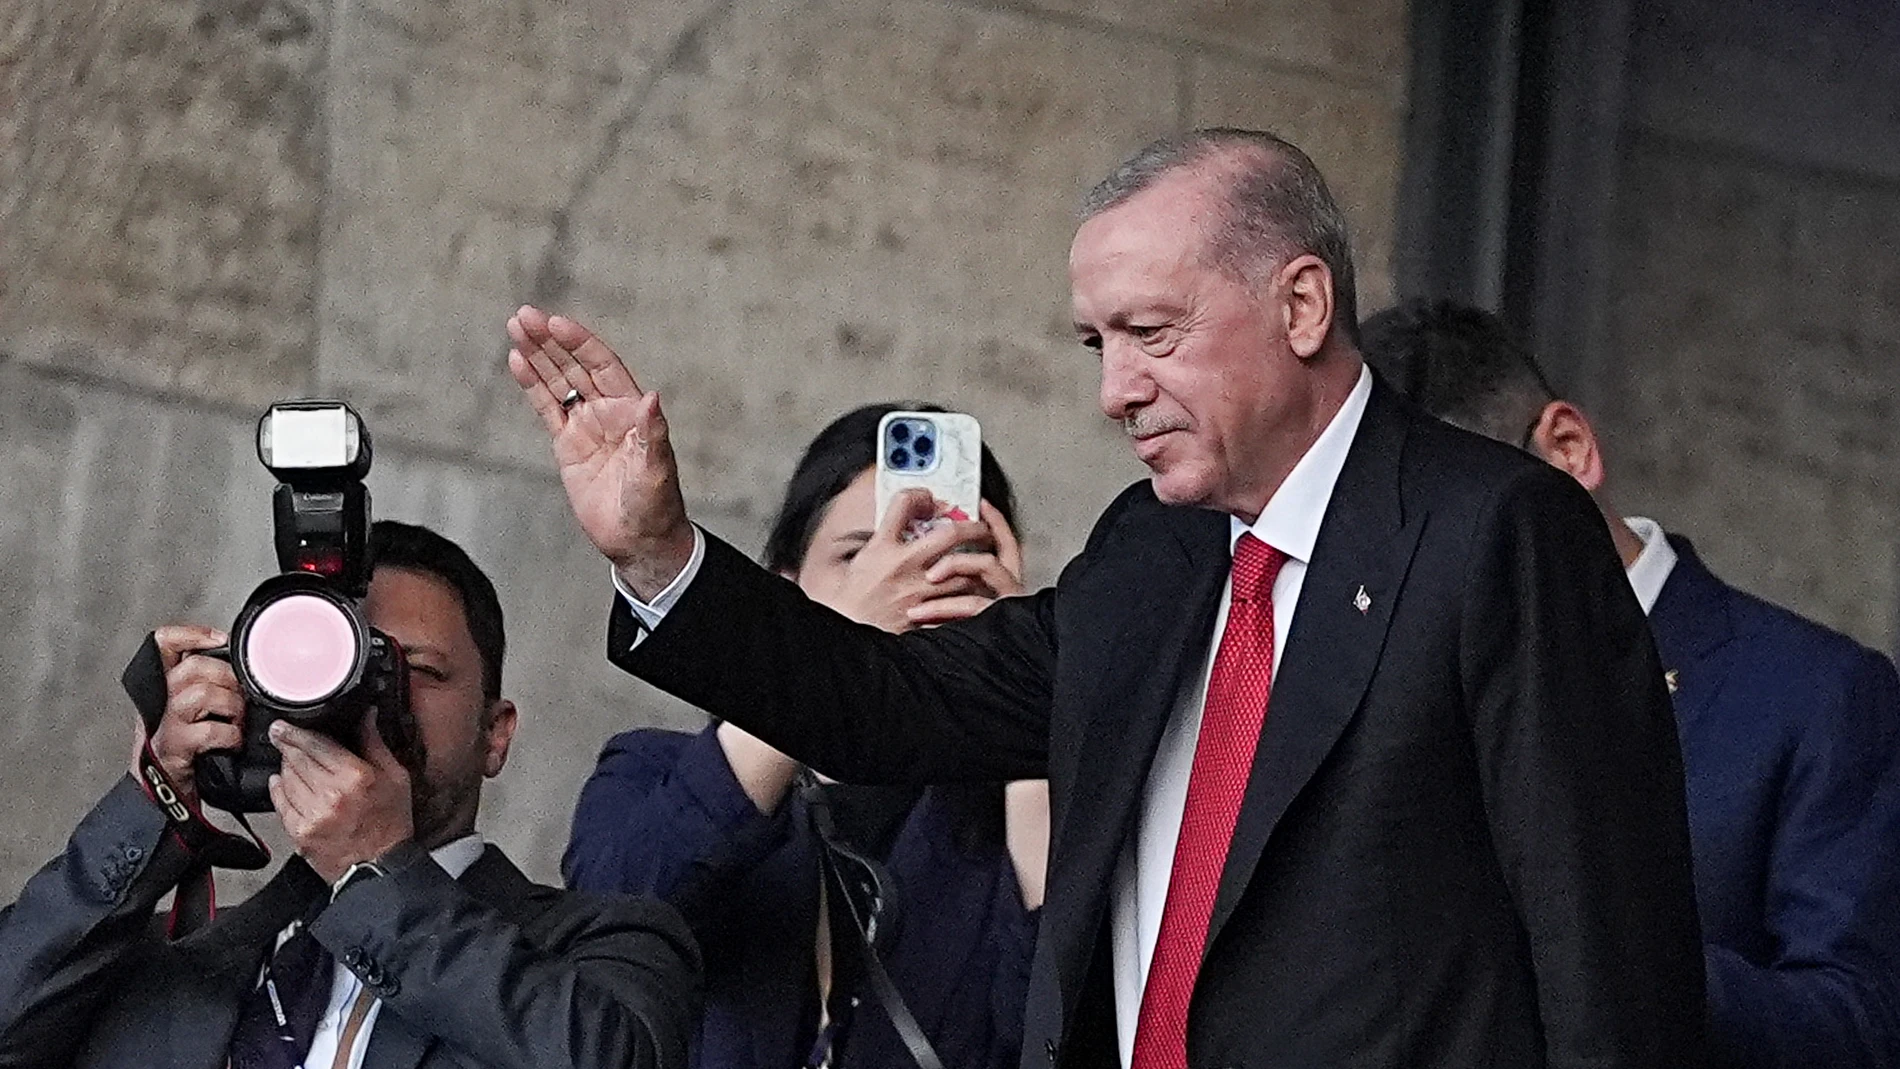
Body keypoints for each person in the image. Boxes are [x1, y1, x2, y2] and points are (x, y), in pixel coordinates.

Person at [506, 127, 1706, 1069]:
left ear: (1299, 306)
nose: (1113, 391)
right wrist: (663, 551)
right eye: (1095, 344)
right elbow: (890, 701)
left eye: (1150, 333)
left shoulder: (1495, 529)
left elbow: (1609, 960)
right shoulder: (1155, 549)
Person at [1360, 297, 1900, 1069]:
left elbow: (1864, 1024)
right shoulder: (1388, 690)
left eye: (1462, 523)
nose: (1434, 573)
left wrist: (1613, 958)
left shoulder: (1818, 696)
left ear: (1568, 449)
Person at [0, 520, 698, 1069]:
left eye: (414, 669)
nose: (375, 694)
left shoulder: (602, 946)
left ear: (496, 731)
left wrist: (378, 874)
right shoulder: (167, 960)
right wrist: (153, 804)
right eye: (348, 663)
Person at [563, 402, 1048, 1069]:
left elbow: (1055, 1029)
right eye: (859, 555)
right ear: (784, 584)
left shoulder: (1027, 820)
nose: (906, 583)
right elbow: (610, 928)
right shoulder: (651, 768)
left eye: (946, 556)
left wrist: (1023, 698)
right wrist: (829, 655)